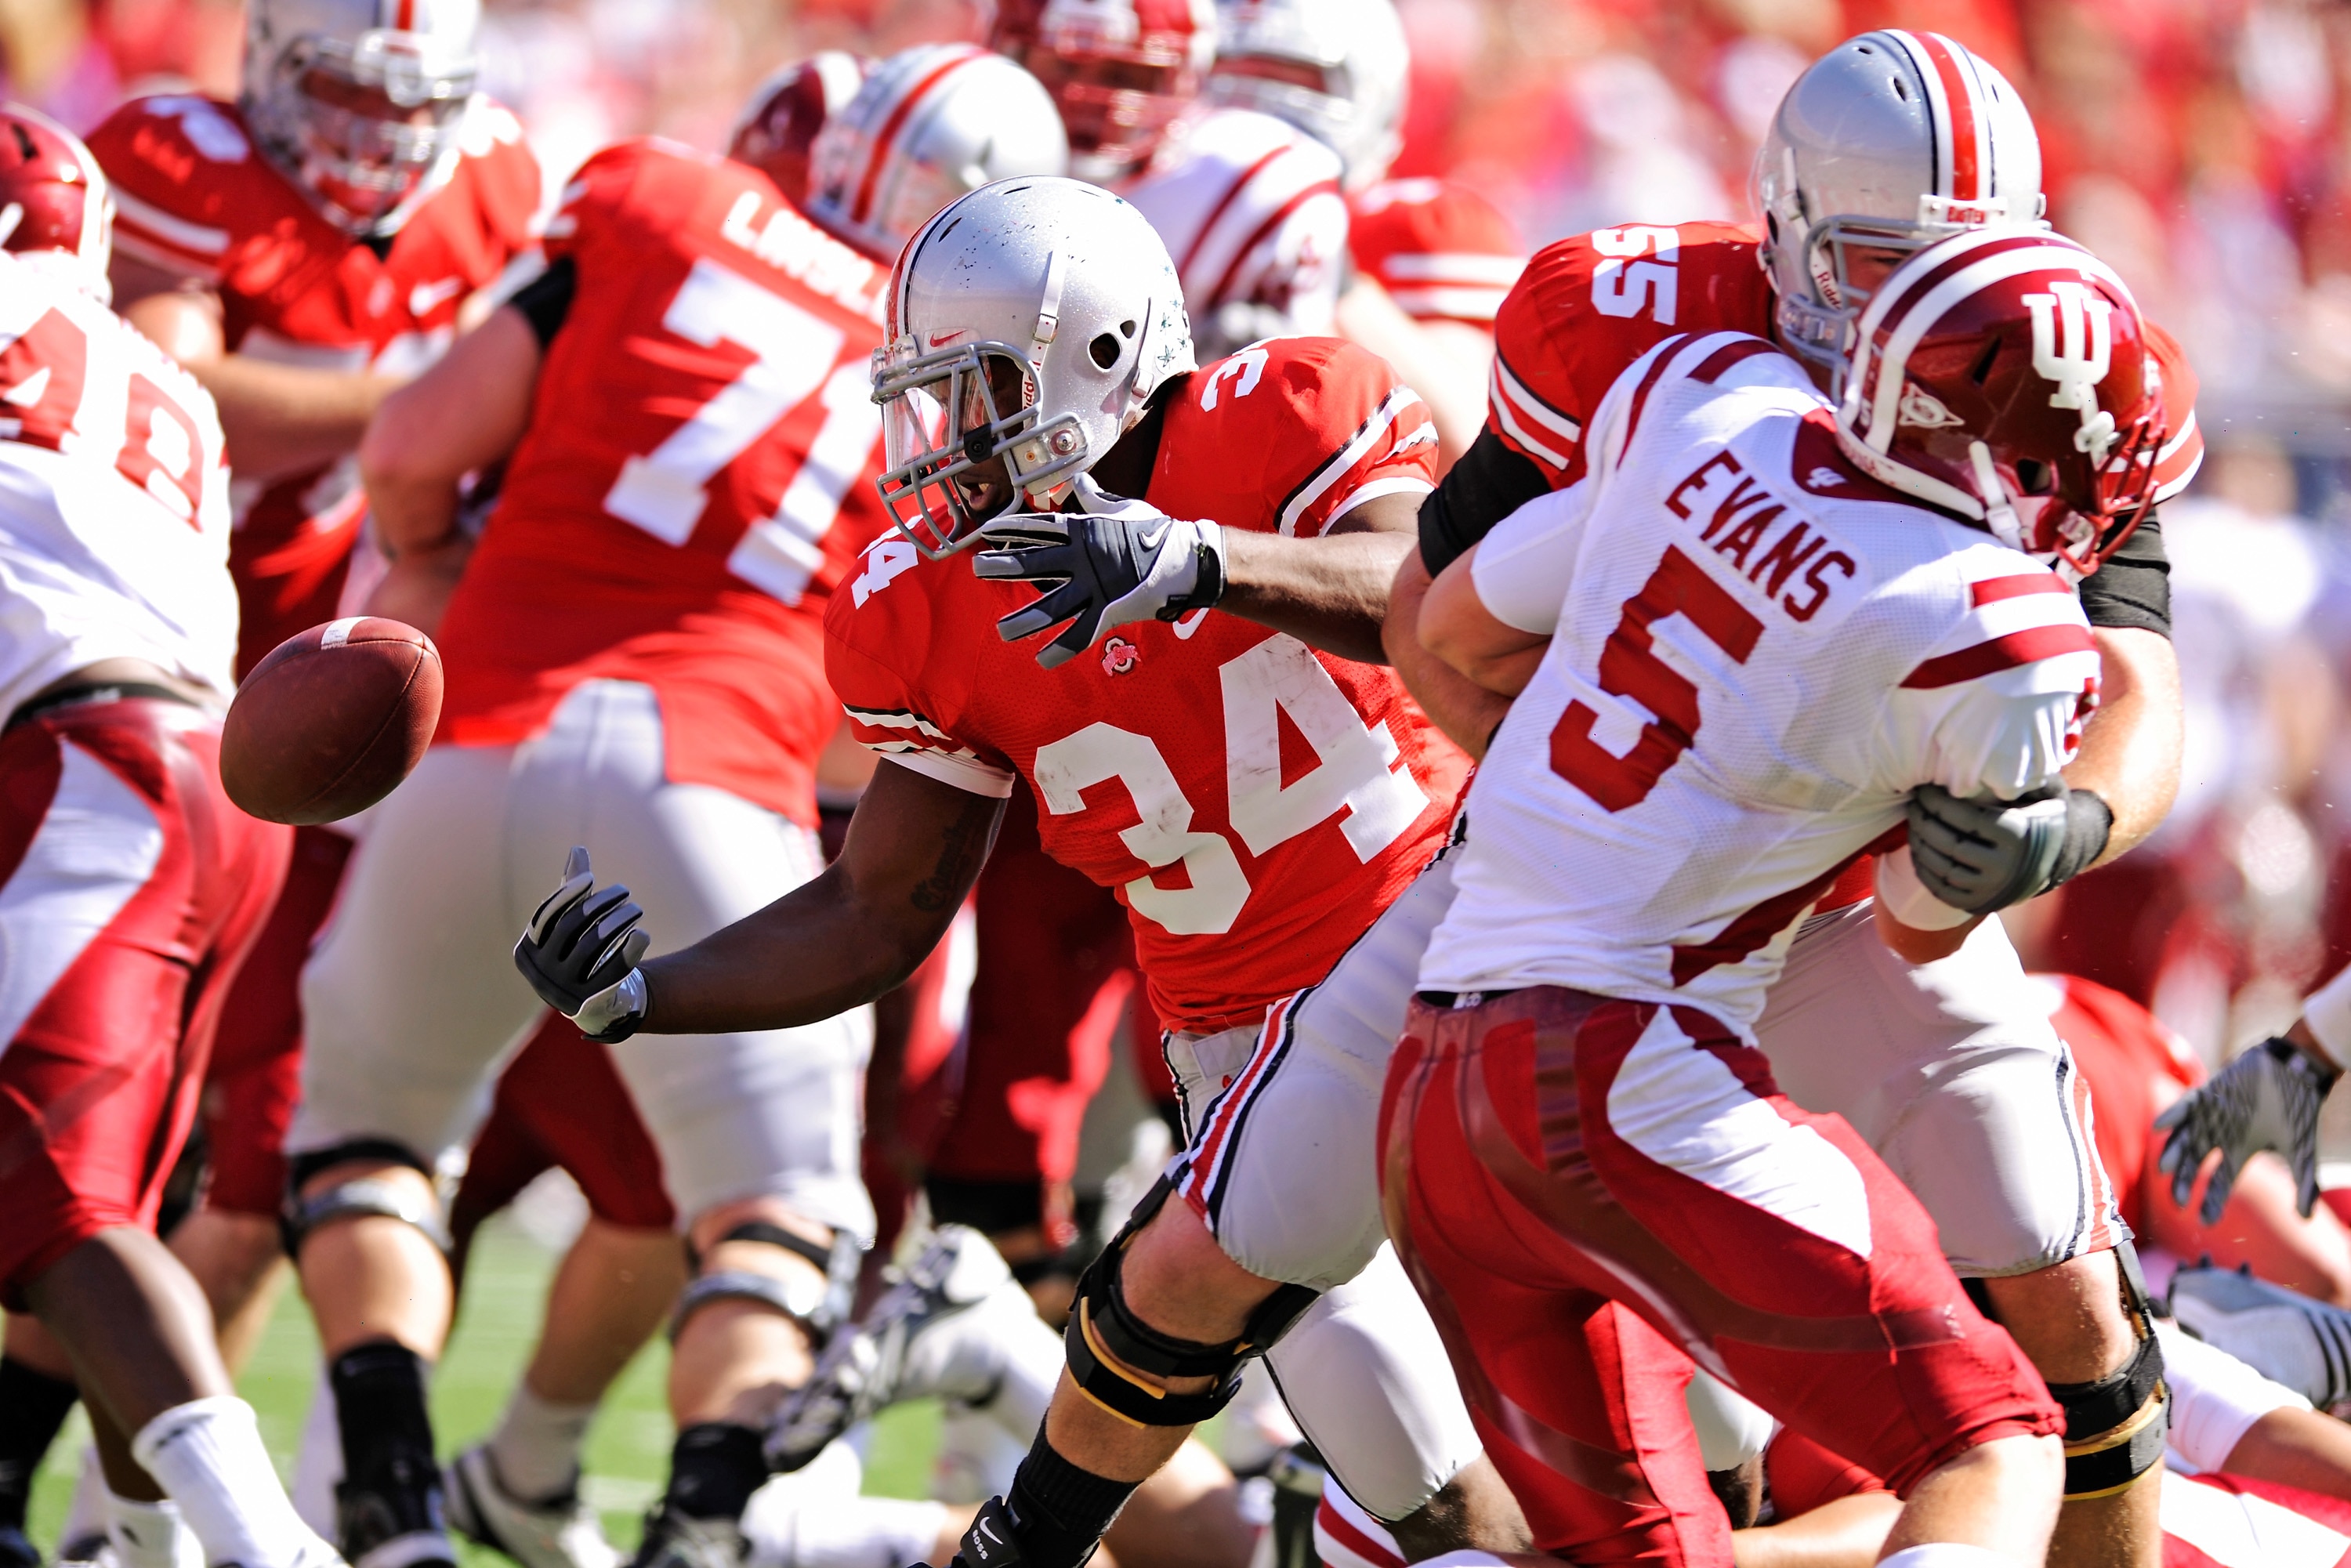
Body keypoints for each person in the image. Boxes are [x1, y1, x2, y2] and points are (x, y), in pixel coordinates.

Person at [513, 175, 1528, 1568]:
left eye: (980, 387)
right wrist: (652, 989)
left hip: (1456, 956)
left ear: (1103, 357)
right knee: (1436, 1507)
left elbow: (1413, 593)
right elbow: (881, 906)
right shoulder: (930, 599)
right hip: (1250, 1074)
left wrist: (1201, 562)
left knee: (1646, 1434)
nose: (949, 434)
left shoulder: (1281, 417)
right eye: (930, 394)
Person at [1386, 31, 2203, 1566]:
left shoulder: (2055, 365)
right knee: (1227, 1255)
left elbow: (2142, 693)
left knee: (2078, 1317)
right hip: (1600, 914)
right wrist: (1624, 837)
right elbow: (1432, 626)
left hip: (1840, 917)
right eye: (1887, 258)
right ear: (1790, 230)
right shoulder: (1668, 339)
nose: (1916, 311)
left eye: (1959, 264)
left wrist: (2060, 830)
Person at [310, 42, 1070, 1568]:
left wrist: (444, 569)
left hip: (481, 732)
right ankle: (711, 1526)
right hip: (714, 776)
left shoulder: (665, 198)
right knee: (777, 1221)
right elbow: (888, 735)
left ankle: (391, 1509)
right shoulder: (964, 388)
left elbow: (405, 450)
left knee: (367, 1146)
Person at [70, 15, 542, 1564]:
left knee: (253, 1142)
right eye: (339, 94)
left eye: (401, 106)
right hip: (138, 658)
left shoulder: (489, 177)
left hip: (325, 715)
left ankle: (104, 1517)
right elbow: (179, 381)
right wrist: (431, 398)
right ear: (273, 64)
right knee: (88, 1124)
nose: (368, 139)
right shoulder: (174, 157)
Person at [0, 103, 320, 1568]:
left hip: (87, 762)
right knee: (108, 1199)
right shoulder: (160, 382)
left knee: (52, 1199)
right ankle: (147, 1542)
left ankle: (268, 1548)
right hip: (217, 772)